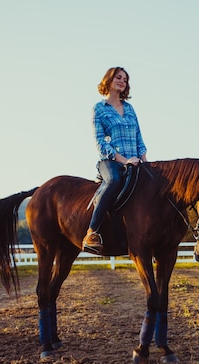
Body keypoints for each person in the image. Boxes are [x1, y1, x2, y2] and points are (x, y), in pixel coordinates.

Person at [83, 67, 148, 253]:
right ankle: (92, 231)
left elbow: (138, 137)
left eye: (125, 79)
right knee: (114, 181)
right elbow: (100, 142)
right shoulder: (99, 109)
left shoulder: (129, 108)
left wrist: (145, 161)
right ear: (109, 80)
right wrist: (123, 160)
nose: (122, 81)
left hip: (135, 161)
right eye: (118, 77)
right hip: (110, 162)